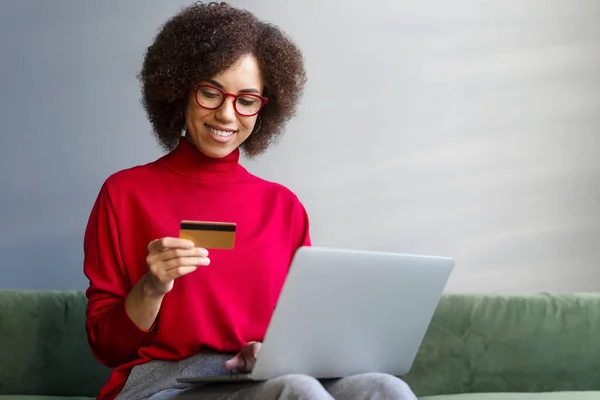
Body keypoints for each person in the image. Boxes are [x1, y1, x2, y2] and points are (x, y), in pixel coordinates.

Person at [83, 2, 419, 399]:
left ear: (264, 108)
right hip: (165, 381)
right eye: (211, 92)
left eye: (246, 99)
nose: (227, 114)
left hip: (256, 374)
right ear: (178, 91)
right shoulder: (125, 193)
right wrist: (152, 287)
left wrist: (272, 354)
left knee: (384, 388)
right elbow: (106, 348)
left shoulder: (283, 207)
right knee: (296, 391)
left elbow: (299, 332)